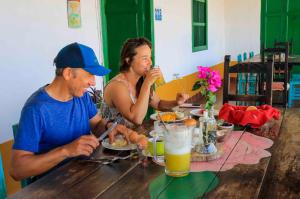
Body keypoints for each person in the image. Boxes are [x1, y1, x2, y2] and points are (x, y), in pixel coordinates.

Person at [10, 43, 132, 181]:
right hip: (53, 187)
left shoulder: (82, 96)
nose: (93, 82)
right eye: (89, 75)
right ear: (68, 73)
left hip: (88, 174)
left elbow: (96, 124)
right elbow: (17, 170)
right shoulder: (36, 109)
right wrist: (66, 151)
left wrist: (108, 127)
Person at [102, 37, 189, 127]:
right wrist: (147, 84)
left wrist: (176, 102)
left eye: (150, 58)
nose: (150, 62)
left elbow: (158, 104)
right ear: (128, 61)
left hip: (132, 136)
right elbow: (136, 119)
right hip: (113, 140)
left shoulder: (141, 80)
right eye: (145, 58)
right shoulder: (117, 86)